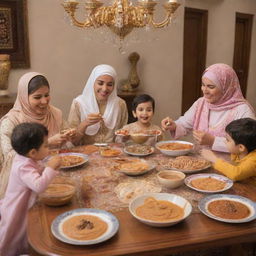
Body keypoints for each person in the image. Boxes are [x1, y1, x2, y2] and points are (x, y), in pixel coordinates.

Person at [0, 72, 74, 199]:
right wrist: (48, 143)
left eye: (47, 95)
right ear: (24, 97)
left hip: (57, 175)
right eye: (37, 97)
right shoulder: (11, 121)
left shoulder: (54, 113)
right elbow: (11, 158)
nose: (44, 101)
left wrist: (67, 136)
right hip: (23, 186)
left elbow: (69, 146)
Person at [161, 63, 255, 152]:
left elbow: (248, 143)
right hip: (201, 161)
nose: (204, 91)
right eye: (203, 85)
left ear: (226, 88)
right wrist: (174, 126)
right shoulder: (201, 103)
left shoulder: (242, 110)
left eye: (211, 86)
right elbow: (185, 123)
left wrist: (213, 141)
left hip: (231, 166)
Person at [0, 122, 61, 256]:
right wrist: (50, 168)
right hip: (16, 208)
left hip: (21, 203)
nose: (48, 148)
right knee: (14, 233)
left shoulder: (25, 158)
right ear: (33, 152)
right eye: (46, 145)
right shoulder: (23, 167)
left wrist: (48, 170)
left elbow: (37, 172)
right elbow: (38, 186)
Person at [68, 64, 128, 145]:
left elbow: (122, 137)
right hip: (85, 154)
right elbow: (72, 142)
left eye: (110, 84)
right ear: (93, 82)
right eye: (100, 83)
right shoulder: (78, 103)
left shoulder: (120, 104)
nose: (104, 89)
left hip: (112, 154)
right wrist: (85, 123)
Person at [201, 118, 256, 184]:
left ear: (241, 147)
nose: (225, 141)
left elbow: (235, 174)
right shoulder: (239, 153)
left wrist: (214, 159)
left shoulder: (253, 160)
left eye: (228, 140)